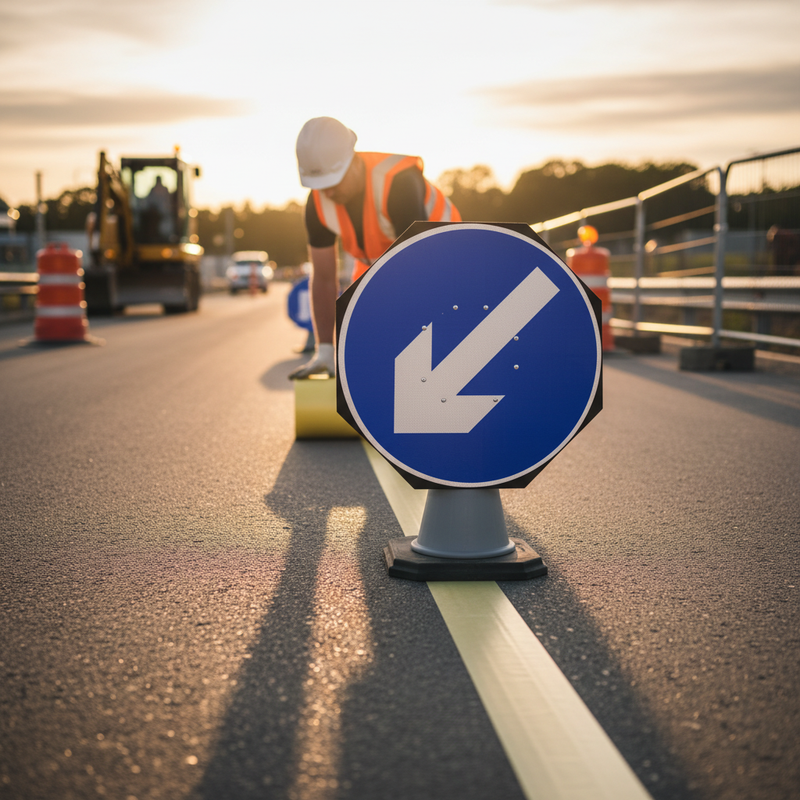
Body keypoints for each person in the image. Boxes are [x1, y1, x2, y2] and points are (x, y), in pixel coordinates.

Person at [289, 116, 461, 379]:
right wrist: (325, 349)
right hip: (383, 264)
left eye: (334, 182)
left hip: (446, 259)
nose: (329, 193)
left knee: (419, 344)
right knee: (360, 336)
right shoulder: (318, 203)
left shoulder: (398, 182)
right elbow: (323, 277)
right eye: (321, 186)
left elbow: (418, 269)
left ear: (354, 161)